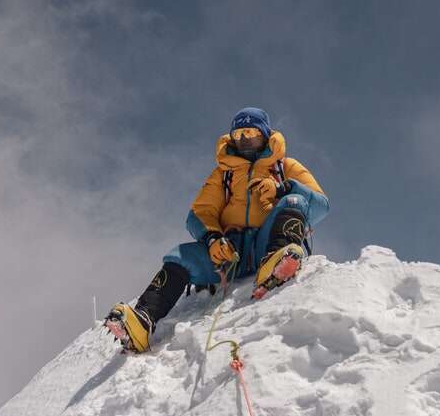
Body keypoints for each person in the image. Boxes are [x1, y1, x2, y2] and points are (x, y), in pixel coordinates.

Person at [105, 107, 330, 353]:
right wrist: (212, 238)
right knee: (180, 256)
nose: (245, 140)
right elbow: (200, 213)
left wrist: (283, 189)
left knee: (295, 202)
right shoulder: (224, 174)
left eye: (251, 133)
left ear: (265, 135)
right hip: (229, 254)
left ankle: (278, 260)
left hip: (269, 241)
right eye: (239, 135)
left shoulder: (285, 166)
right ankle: (143, 319)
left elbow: (319, 205)